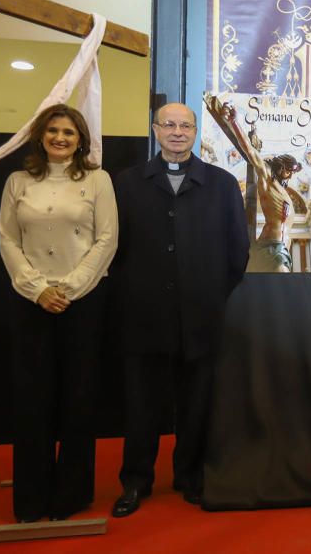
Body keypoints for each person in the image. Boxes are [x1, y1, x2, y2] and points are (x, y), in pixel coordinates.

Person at [111, 102, 249, 517]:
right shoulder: (126, 183)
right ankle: (136, 481)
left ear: (195, 132)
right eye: (168, 124)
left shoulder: (222, 184)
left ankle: (190, 477)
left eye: (185, 125)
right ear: (155, 130)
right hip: (143, 316)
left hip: (202, 316)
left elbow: (237, 251)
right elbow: (113, 248)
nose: (177, 132)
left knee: (197, 404)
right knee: (142, 407)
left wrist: (210, 294)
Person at [0, 103, 117, 522]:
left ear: (81, 139)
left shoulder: (98, 181)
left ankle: (70, 495)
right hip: (31, 301)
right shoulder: (17, 182)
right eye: (53, 131)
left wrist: (67, 289)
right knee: (33, 401)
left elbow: (107, 241)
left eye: (69, 131)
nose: (61, 138)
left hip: (83, 302)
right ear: (41, 137)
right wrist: (38, 289)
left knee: (79, 399)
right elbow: (8, 240)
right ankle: (31, 499)